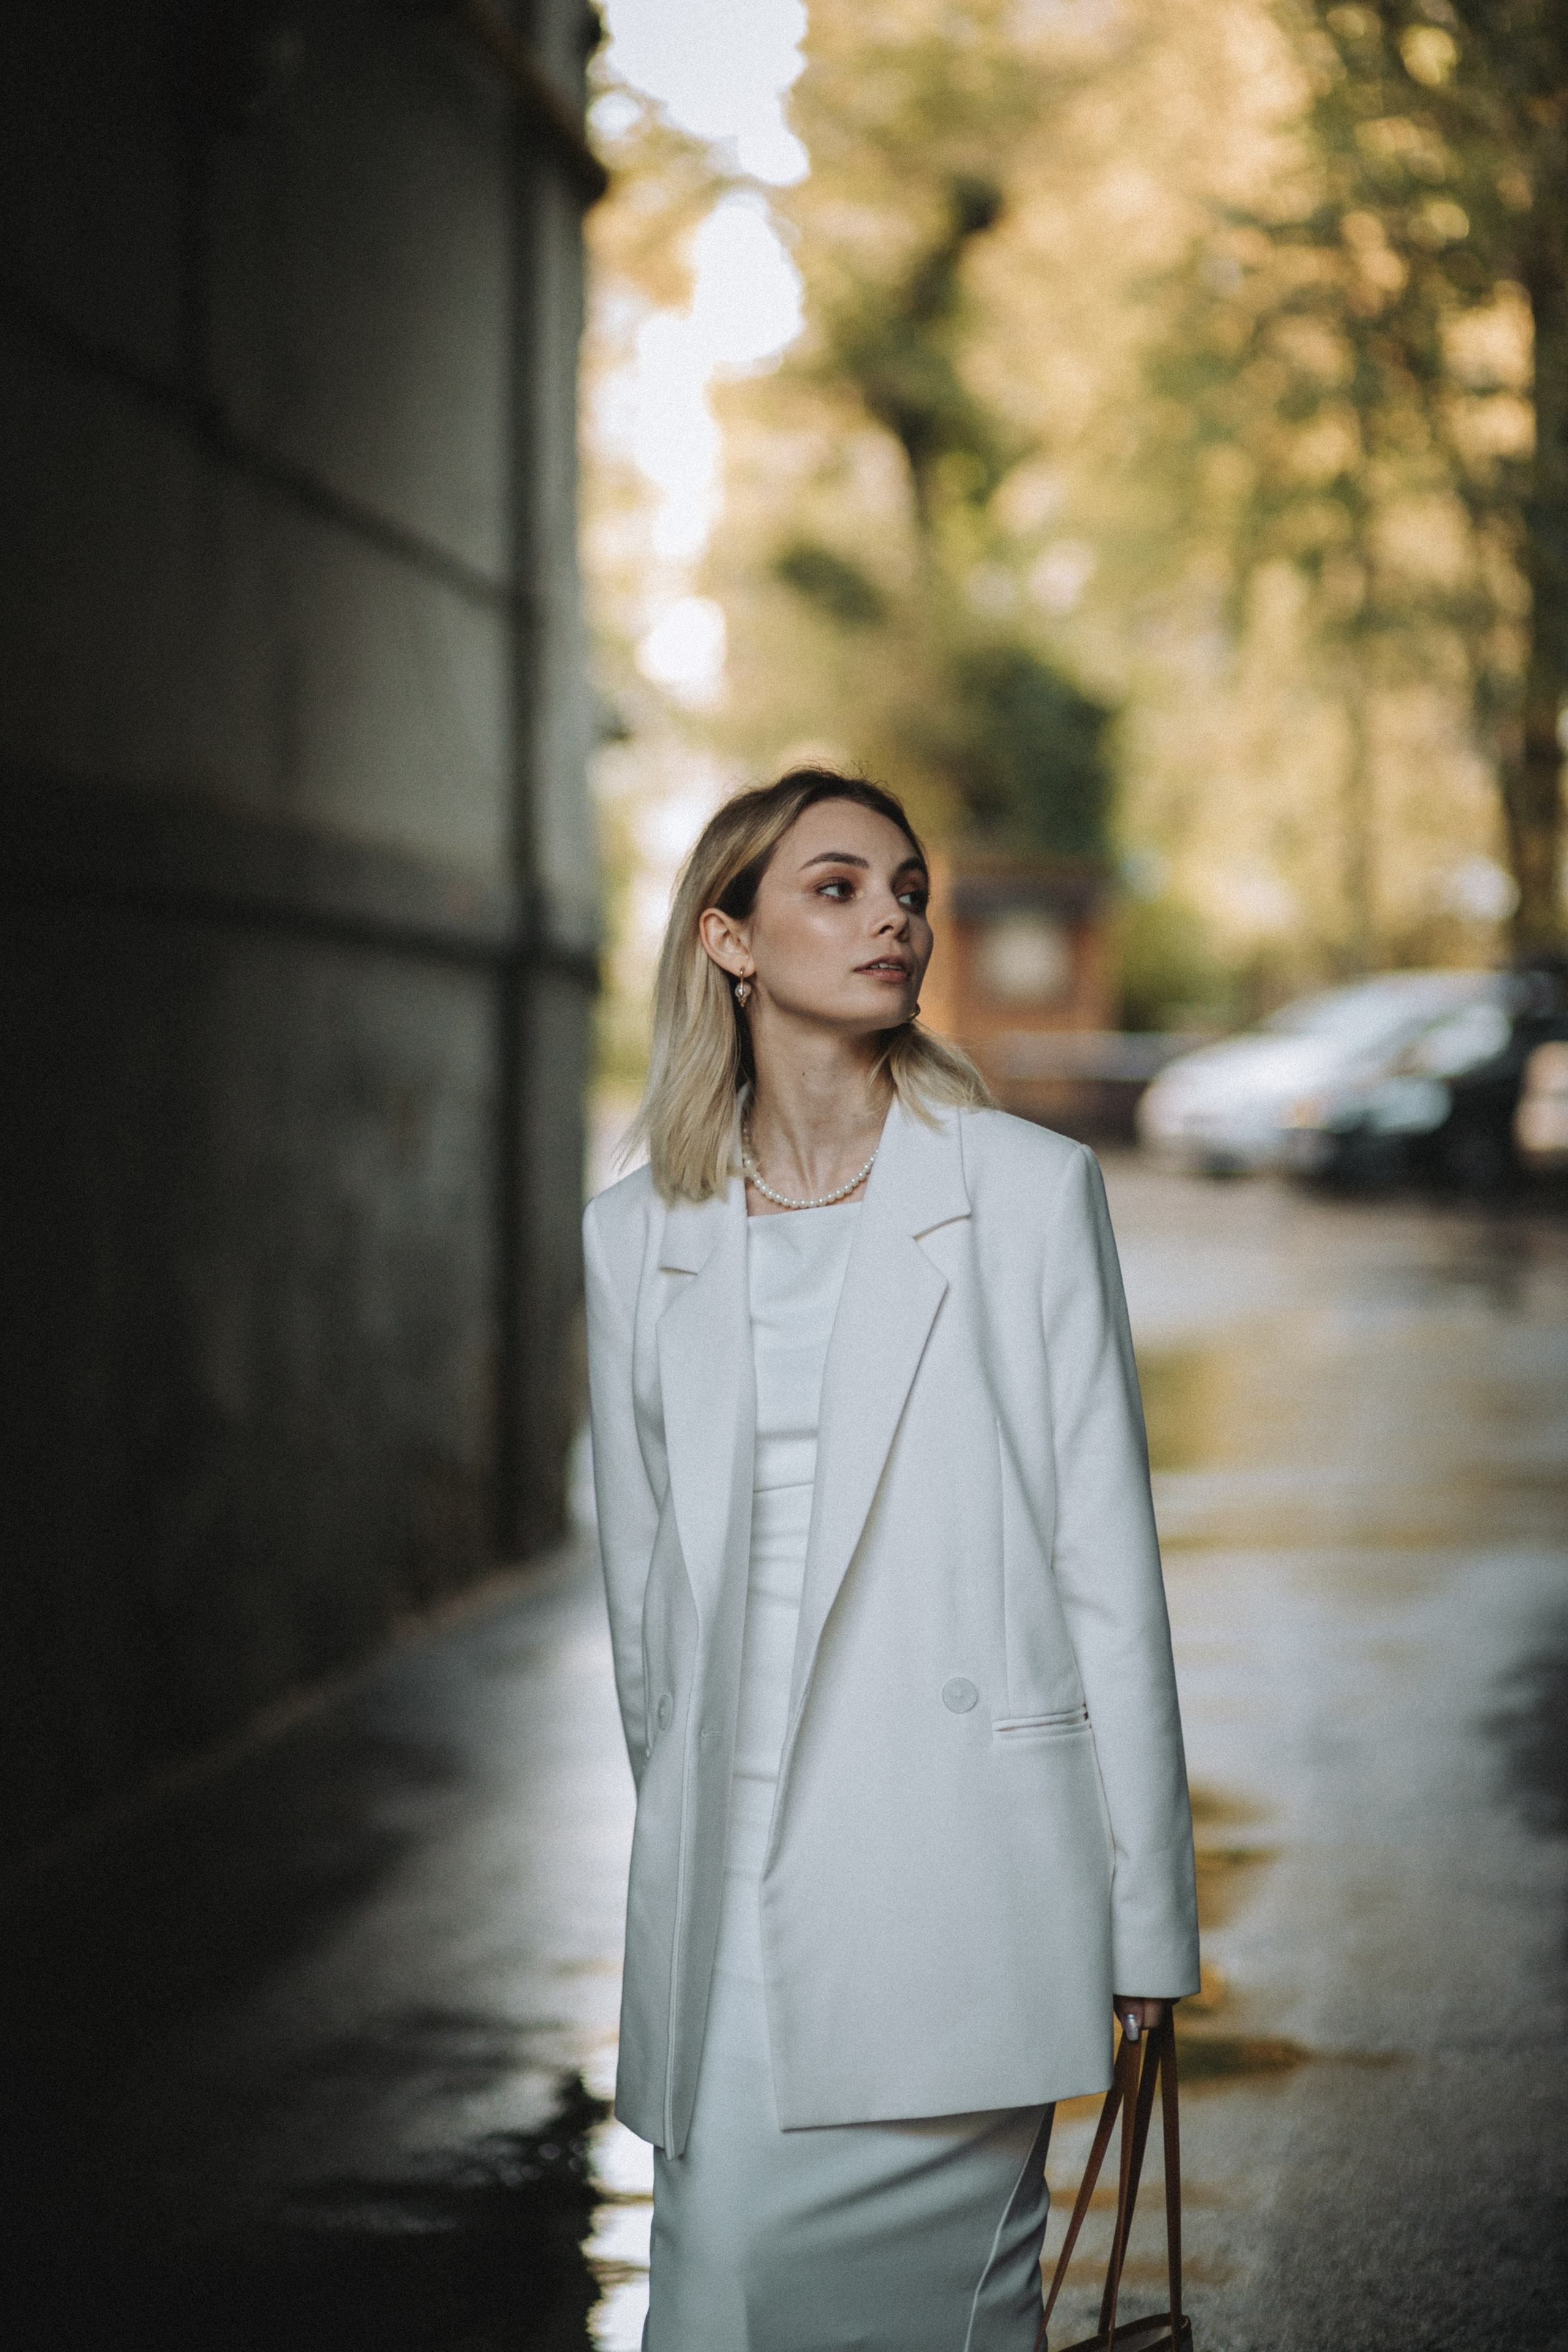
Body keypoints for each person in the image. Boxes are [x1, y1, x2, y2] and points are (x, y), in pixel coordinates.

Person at [583, 769, 1200, 2351]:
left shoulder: (1026, 1196)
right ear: (728, 938)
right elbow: (646, 1600)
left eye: (908, 889)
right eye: (838, 888)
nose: (896, 919)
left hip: (957, 1885)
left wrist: (1147, 1926)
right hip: (731, 1891)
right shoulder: (637, 1230)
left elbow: (1106, 1577)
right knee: (712, 2301)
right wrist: (684, 1831)